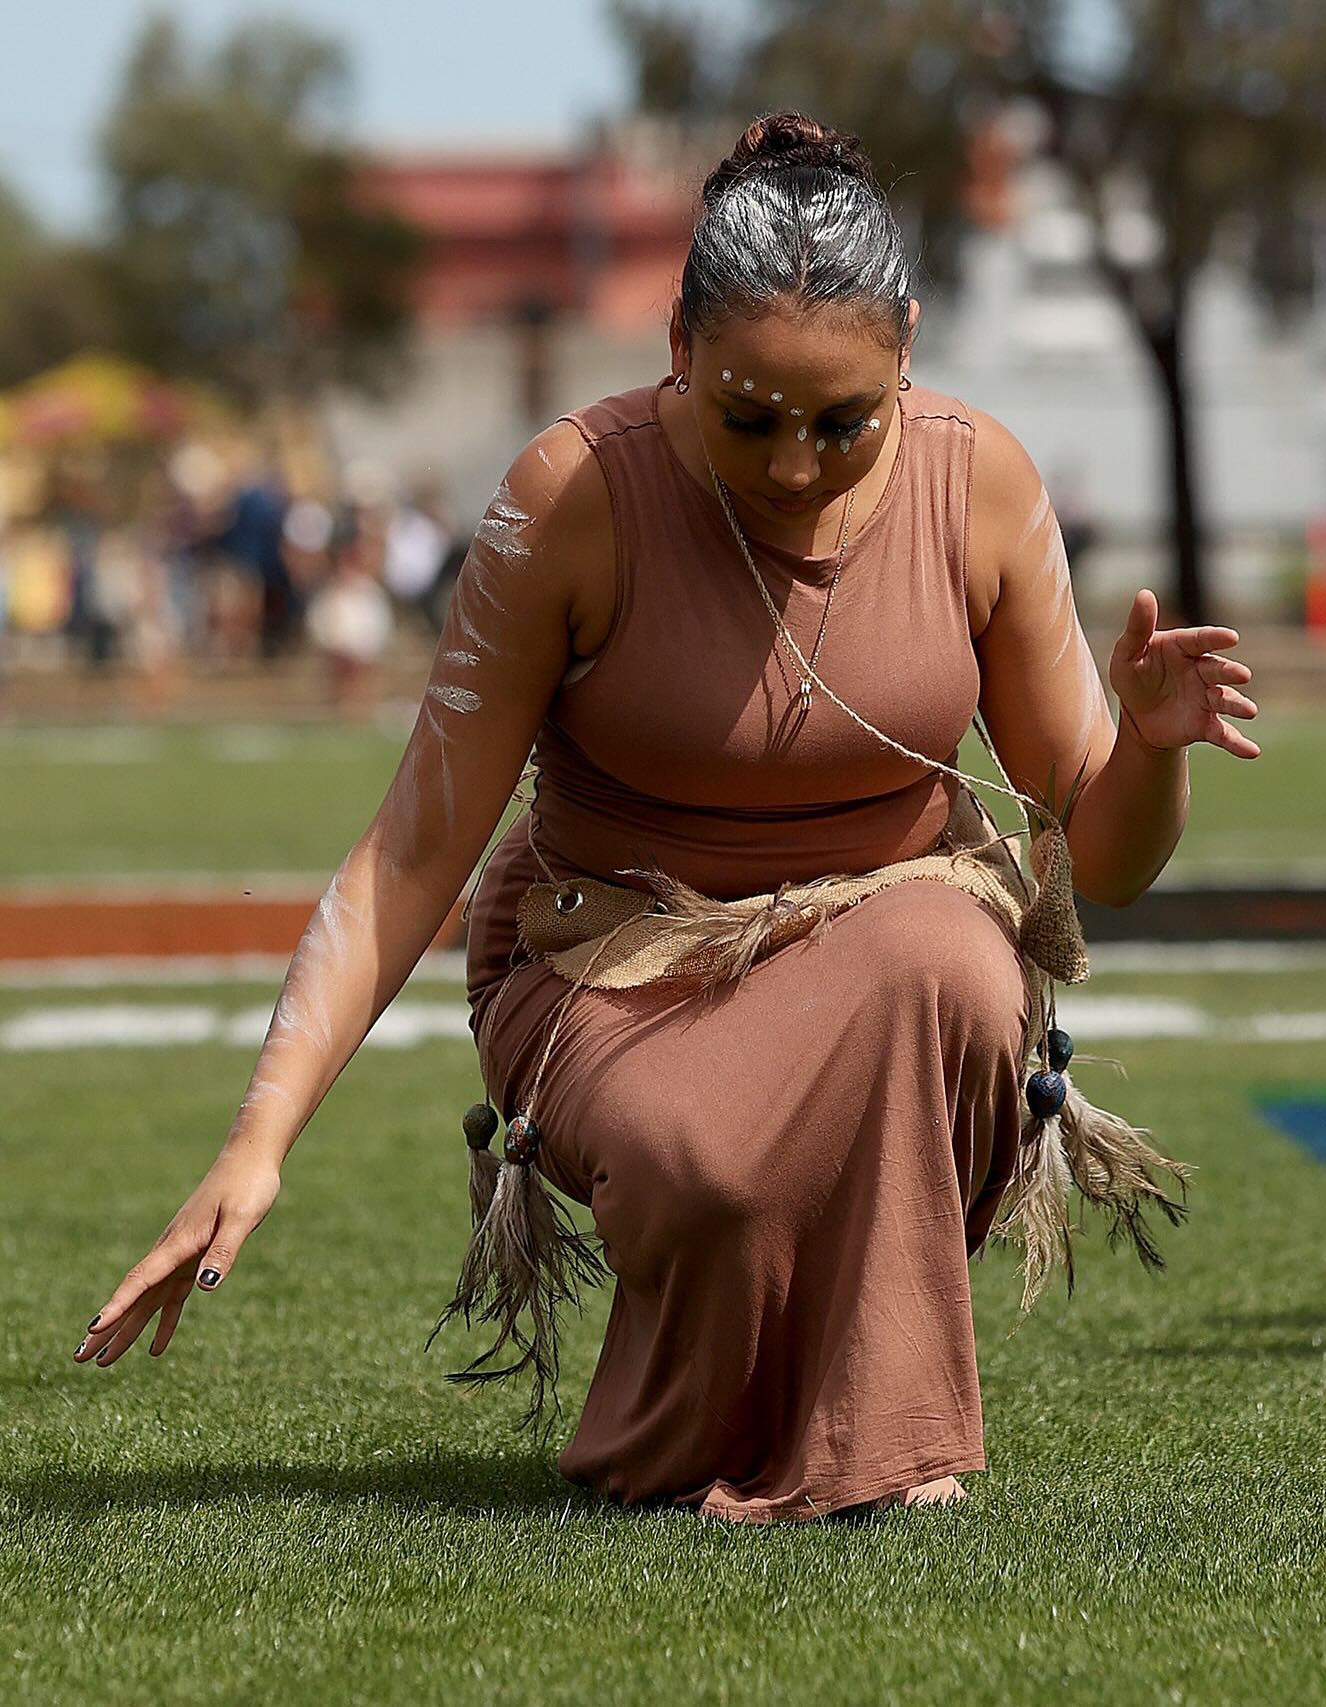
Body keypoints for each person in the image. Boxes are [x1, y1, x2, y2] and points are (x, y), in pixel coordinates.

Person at [73, 115, 1260, 1525]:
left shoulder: (978, 483)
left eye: (843, 422)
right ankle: (687, 1438)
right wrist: (257, 1139)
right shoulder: (572, 497)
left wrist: (1157, 748)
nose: (798, 468)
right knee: (704, 1168)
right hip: (607, 962)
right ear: (676, 350)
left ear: (907, 353)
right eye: (748, 416)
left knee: (944, 963)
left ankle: (872, 1438)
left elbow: (1104, 861)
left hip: (888, 942)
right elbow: (411, 848)